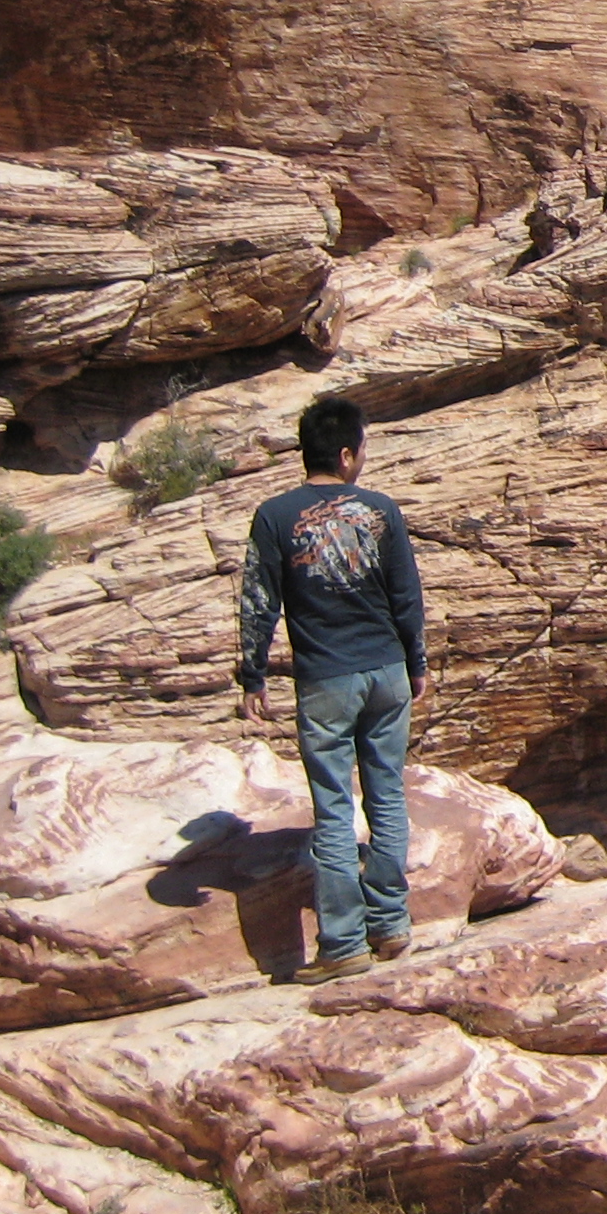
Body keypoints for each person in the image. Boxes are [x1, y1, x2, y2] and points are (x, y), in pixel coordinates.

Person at [236, 396, 431, 984]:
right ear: (346, 455)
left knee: (333, 808)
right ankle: (391, 925)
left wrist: (253, 674)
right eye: (363, 448)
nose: (364, 458)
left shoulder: (274, 516)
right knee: (387, 795)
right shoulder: (380, 511)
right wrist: (416, 662)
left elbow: (258, 602)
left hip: (326, 678)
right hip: (386, 671)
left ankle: (343, 943)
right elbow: (406, 594)